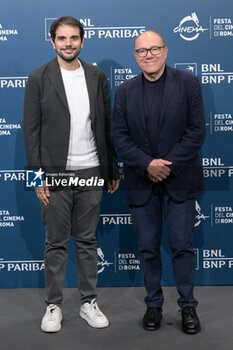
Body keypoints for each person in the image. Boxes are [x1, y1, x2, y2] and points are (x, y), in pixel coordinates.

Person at [24, 16, 119, 333]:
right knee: (55, 243)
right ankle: (54, 305)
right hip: (55, 175)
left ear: (82, 40)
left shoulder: (96, 76)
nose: (68, 44)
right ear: (52, 41)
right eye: (62, 38)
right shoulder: (38, 77)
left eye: (74, 38)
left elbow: (106, 126)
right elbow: (31, 131)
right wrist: (37, 177)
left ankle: (88, 302)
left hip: (91, 171)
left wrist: (112, 168)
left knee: (88, 241)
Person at [111, 30, 205, 334]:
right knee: (148, 248)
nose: (148, 55)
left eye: (154, 49)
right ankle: (153, 305)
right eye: (141, 51)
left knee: (181, 246)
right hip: (141, 181)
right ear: (135, 56)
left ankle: (188, 306)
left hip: (180, 180)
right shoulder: (124, 91)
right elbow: (119, 137)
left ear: (165, 51)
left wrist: (167, 165)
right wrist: (147, 164)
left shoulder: (188, 83)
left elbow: (196, 132)